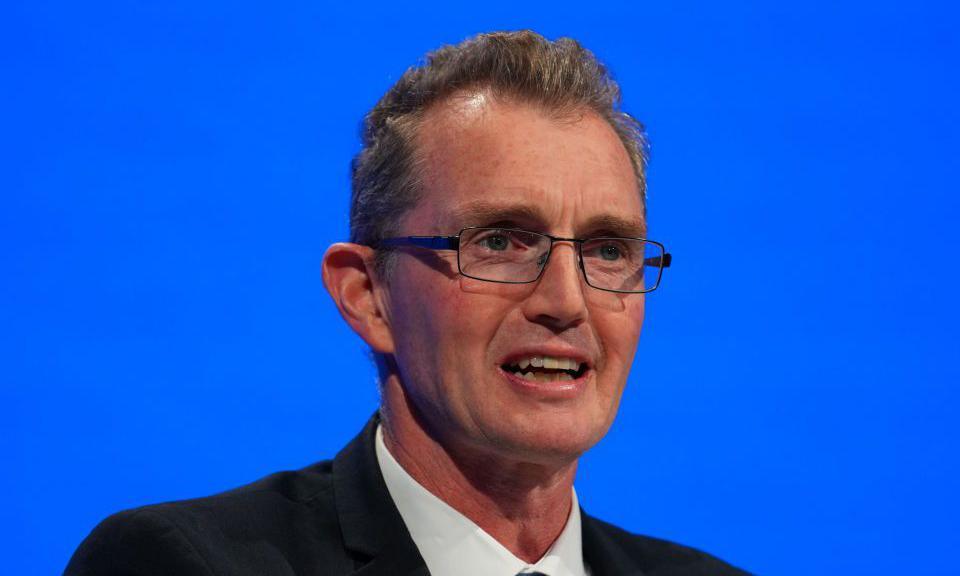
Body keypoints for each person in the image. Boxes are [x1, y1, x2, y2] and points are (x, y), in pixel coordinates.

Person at [65, 30, 749, 576]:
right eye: (502, 241)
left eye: (607, 250)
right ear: (369, 297)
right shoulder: (179, 563)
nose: (566, 301)